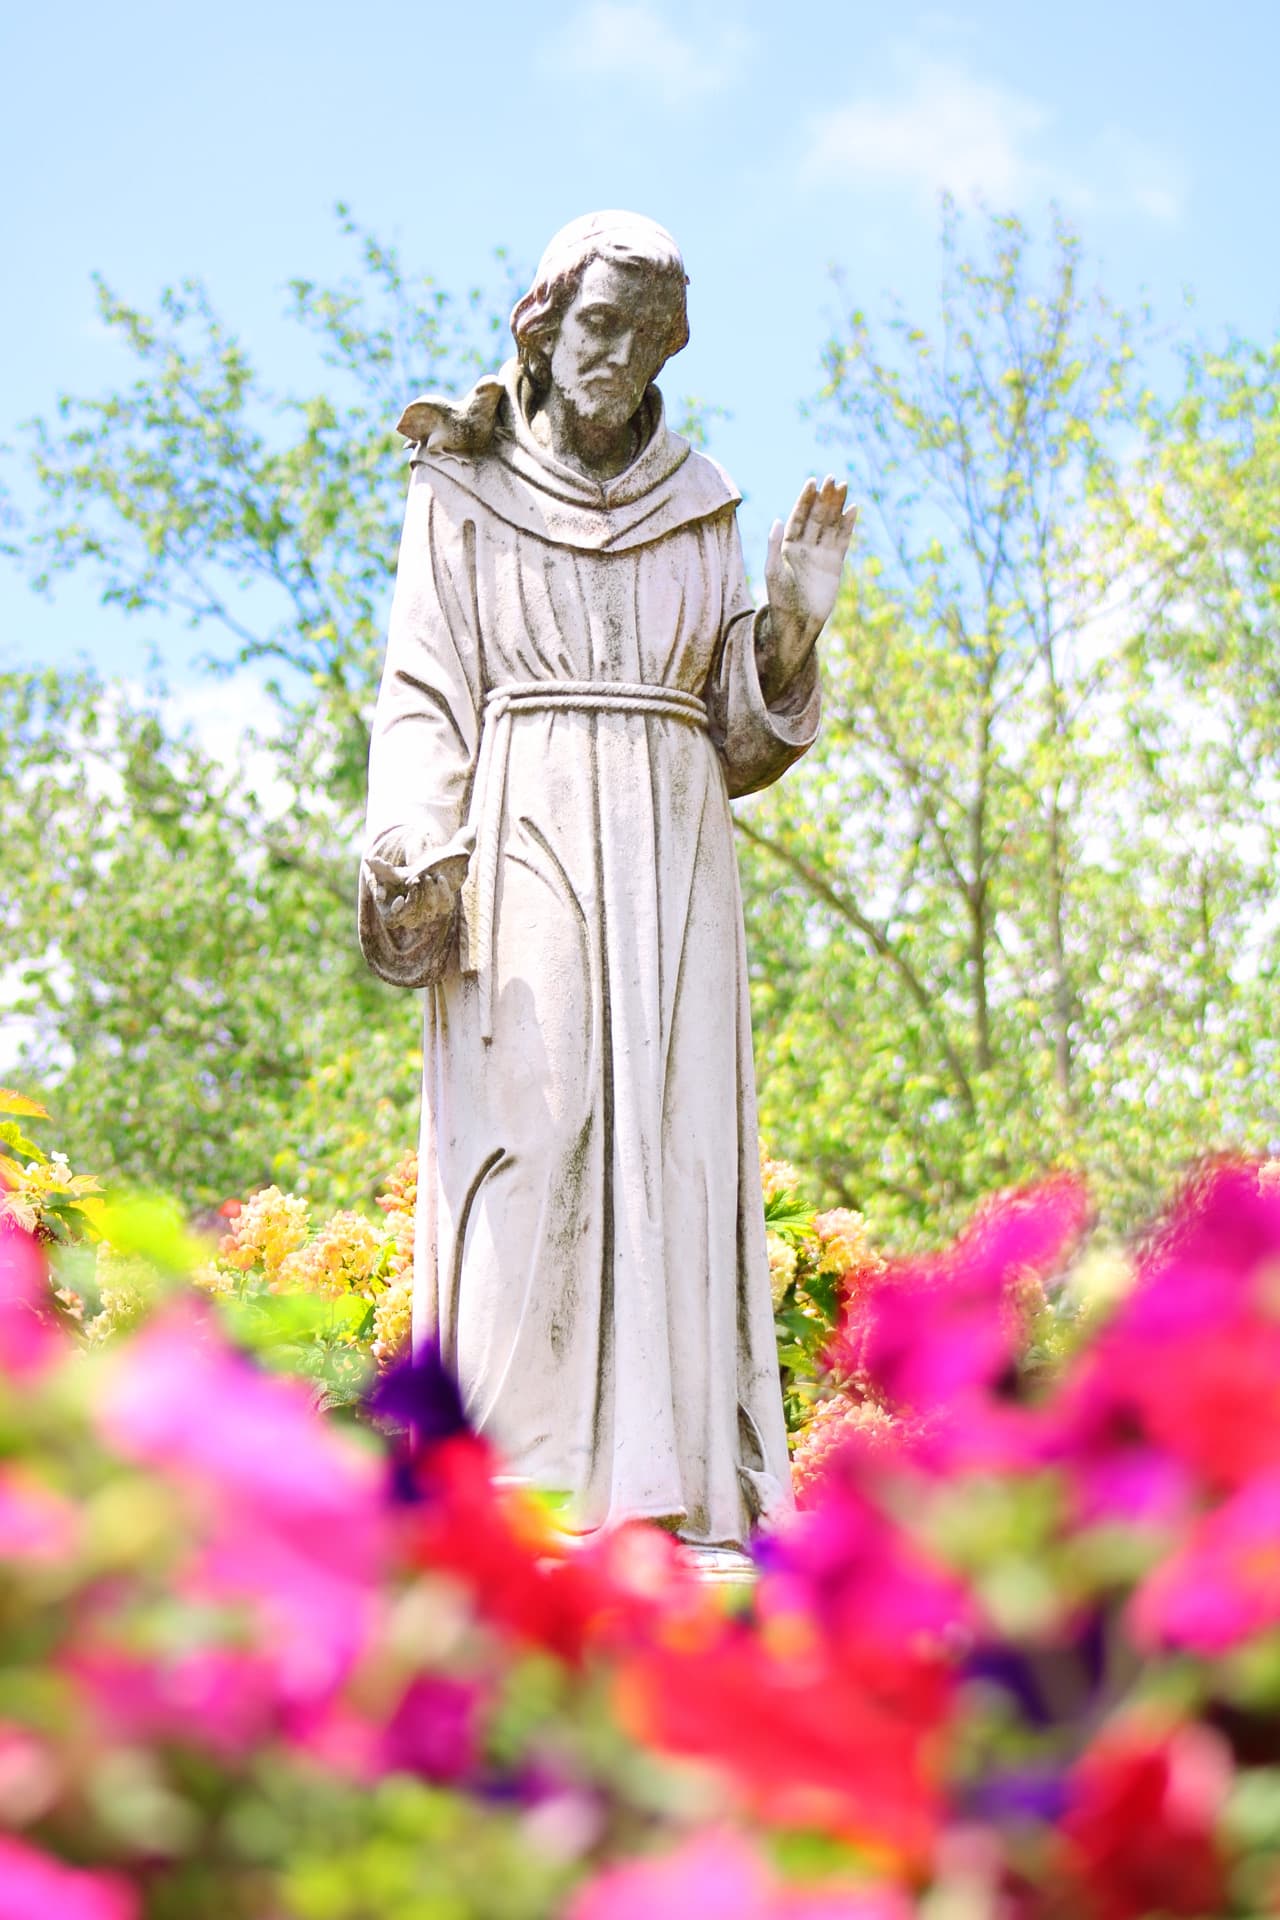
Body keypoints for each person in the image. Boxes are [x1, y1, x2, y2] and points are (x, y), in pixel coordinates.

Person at [359, 211, 855, 1560]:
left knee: (675, 1151)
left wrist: (790, 631)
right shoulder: (460, 489)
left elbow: (735, 741)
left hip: (673, 847)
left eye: (649, 336)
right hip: (521, 834)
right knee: (531, 1132)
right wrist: (412, 839)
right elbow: (424, 693)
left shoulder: (702, 503)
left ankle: (674, 1489)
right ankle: (516, 1507)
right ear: (540, 321)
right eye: (598, 324)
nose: (620, 356)